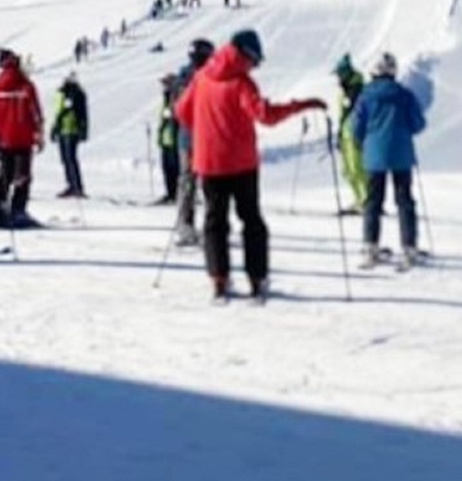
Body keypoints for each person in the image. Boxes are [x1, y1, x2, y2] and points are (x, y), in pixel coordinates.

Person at [173, 29, 324, 302]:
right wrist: (301, 106)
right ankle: (257, 279)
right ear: (245, 55)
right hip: (241, 164)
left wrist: (207, 131)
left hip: (208, 163)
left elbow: (182, 111)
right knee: (251, 221)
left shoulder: (202, 77)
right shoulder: (242, 83)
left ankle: (219, 280)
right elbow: (265, 116)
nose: (255, 67)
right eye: (255, 61)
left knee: (214, 222)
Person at [351, 53, 427, 271]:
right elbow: (418, 124)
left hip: (374, 155)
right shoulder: (405, 95)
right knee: (404, 200)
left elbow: (356, 128)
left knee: (373, 201)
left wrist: (365, 140)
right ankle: (409, 247)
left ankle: (370, 246)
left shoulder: (365, 97)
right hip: (402, 154)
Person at [0, 49, 44, 229]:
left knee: (4, 174)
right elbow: (35, 113)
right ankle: (18, 210)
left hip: (3, 139)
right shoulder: (26, 87)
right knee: (22, 175)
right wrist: (38, 134)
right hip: (23, 138)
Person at [171, 39, 216, 247]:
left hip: (190, 137)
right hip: (198, 137)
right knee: (202, 182)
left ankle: (189, 225)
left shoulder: (184, 78)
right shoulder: (204, 77)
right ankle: (198, 225)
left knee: (190, 182)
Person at [332, 54, 367, 212]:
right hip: (346, 134)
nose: (338, 78)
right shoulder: (345, 91)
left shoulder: (359, 90)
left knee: (358, 168)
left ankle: (367, 201)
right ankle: (358, 199)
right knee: (347, 170)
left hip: (356, 134)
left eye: (339, 74)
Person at [52, 73, 89, 198]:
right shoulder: (62, 93)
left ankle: (76, 186)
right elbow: (58, 111)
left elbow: (80, 112)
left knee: (70, 158)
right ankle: (71, 184)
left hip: (71, 129)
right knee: (66, 159)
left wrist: (83, 129)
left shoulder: (75, 94)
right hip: (63, 128)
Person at [155, 75, 181, 204]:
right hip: (166, 139)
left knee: (174, 169)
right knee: (167, 168)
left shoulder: (175, 97)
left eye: (166, 84)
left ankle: (175, 194)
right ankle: (170, 193)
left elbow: (172, 117)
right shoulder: (166, 99)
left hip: (174, 139)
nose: (164, 87)